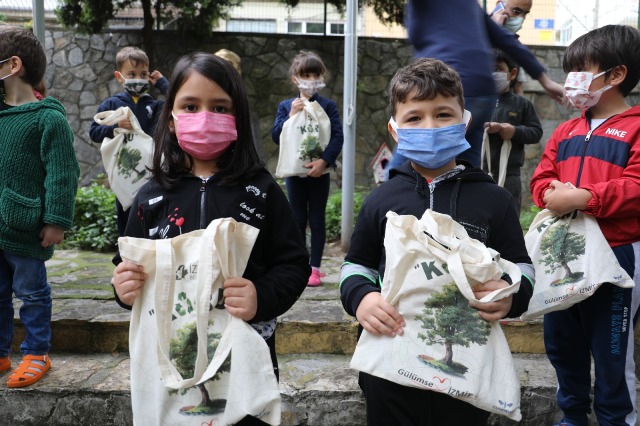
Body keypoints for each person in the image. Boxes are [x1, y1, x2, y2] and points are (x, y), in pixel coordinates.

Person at [111, 52, 310, 423]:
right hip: (172, 360)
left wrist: (260, 296)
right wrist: (123, 287)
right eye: (190, 106)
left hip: (248, 356)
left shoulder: (262, 191)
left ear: (238, 119)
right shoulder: (150, 196)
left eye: (220, 107)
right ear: (170, 118)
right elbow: (127, 267)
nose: (205, 117)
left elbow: (294, 263)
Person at [340, 58, 534, 425]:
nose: (429, 126)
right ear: (395, 129)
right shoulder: (381, 201)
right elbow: (357, 265)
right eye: (414, 118)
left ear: (465, 121)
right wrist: (362, 298)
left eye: (443, 114)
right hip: (389, 365)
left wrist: (511, 293)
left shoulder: (494, 200)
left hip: (468, 369)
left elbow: (522, 266)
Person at [529, 25, 640, 426]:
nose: (571, 79)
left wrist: (584, 198)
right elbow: (541, 178)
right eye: (570, 70)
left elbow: (636, 186)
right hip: (564, 253)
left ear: (615, 75)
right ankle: (572, 415)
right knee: (562, 341)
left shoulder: (636, 126)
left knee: (612, 348)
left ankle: (616, 419)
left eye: (580, 69)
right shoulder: (566, 130)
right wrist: (549, 195)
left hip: (618, 253)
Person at [391, 0, 563, 170]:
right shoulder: (469, 5)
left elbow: (416, 34)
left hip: (445, 87)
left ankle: (387, 192)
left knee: (412, 149)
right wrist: (545, 81)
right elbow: (506, 40)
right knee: (469, 168)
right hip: (483, 93)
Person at [0, 25, 80, 388]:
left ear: (12, 65)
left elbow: (63, 173)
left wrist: (56, 220)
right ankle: (2, 352)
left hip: (25, 224)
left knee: (32, 293)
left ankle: (36, 352)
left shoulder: (48, 118)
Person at [271, 50, 344, 287]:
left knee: (317, 218)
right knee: (297, 218)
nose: (310, 80)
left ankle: (315, 268)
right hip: (295, 172)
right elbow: (276, 136)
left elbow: (337, 136)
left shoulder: (328, 106)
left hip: (319, 173)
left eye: (315, 75)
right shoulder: (286, 106)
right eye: (305, 75)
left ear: (322, 77)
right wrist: (291, 116)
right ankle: (300, 265)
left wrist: (324, 161)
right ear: (295, 78)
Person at [89, 46, 169, 237]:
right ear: (119, 76)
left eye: (143, 74)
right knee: (125, 213)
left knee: (152, 211)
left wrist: (163, 84)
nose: (138, 78)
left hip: (151, 172)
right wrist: (114, 126)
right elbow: (94, 132)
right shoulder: (111, 104)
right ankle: (124, 253)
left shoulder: (155, 105)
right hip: (124, 172)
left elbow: (176, 102)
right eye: (131, 74)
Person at [483, 49, 542, 215]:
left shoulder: (522, 104)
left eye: (497, 69)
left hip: (510, 175)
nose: (491, 73)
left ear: (512, 73)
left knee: (507, 217)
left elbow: (536, 132)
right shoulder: (474, 102)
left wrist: (513, 131)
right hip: (478, 171)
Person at [490, 0, 533, 95]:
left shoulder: (515, 44)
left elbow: (518, 87)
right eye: (516, 11)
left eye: (525, 13)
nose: (521, 18)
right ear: (499, 5)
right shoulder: (476, 30)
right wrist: (496, 28)